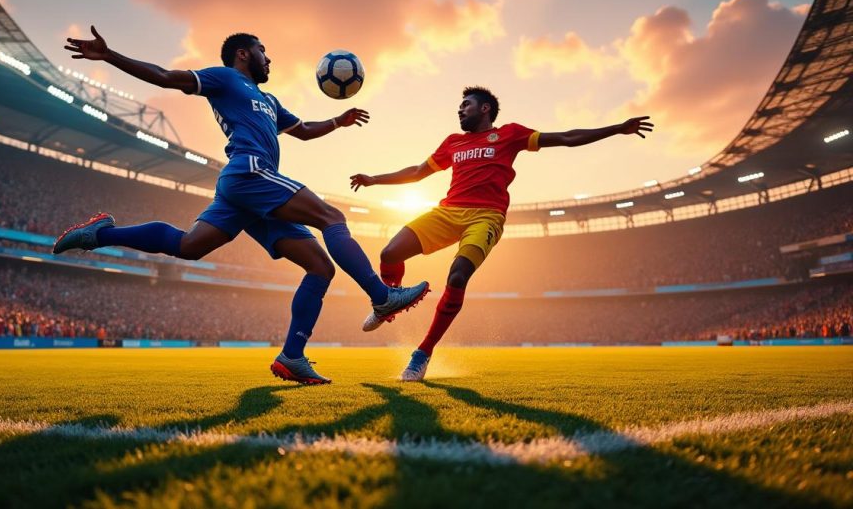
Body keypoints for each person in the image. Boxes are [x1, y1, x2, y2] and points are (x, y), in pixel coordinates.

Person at [56, 28, 429, 384]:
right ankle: (381, 297)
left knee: (208, 249)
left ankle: (100, 233)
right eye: (263, 51)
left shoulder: (268, 101)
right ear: (243, 53)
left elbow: (302, 130)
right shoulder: (224, 79)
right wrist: (109, 56)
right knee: (331, 216)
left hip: (248, 193)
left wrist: (337, 121)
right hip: (250, 172)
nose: (270, 59)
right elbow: (167, 76)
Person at [350, 86, 653, 381]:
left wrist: (617, 128)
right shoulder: (453, 142)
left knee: (457, 277)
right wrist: (373, 180)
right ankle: (387, 303)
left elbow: (565, 138)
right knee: (390, 253)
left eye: (465, 104)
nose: (460, 109)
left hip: (486, 217)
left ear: (485, 108)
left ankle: (422, 354)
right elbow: (418, 172)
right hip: (448, 211)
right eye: (459, 106)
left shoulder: (509, 134)